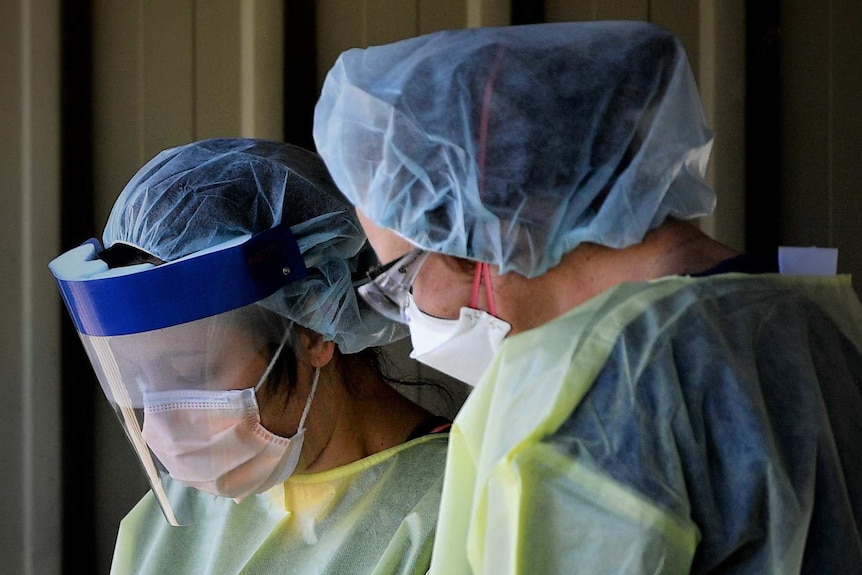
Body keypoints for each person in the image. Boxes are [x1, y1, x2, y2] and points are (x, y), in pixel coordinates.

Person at [312, 21, 862, 574]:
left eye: (401, 280)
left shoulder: (572, 395)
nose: (410, 312)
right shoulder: (803, 317)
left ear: (472, 236)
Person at [49, 138, 454, 574]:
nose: (160, 425)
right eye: (135, 377)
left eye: (189, 370)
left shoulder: (455, 511)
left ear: (312, 323)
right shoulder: (169, 526)